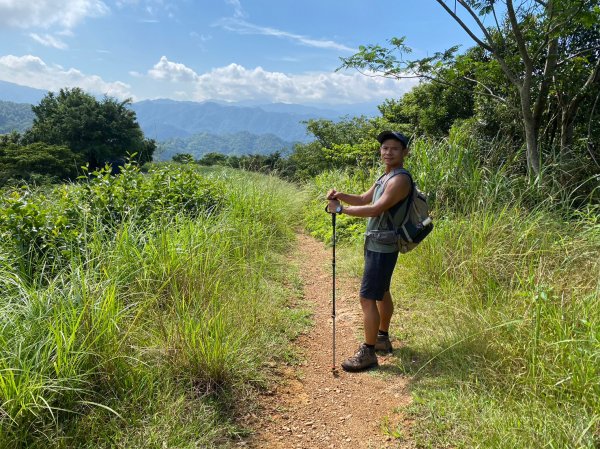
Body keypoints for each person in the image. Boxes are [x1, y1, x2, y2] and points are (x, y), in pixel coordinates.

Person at [326, 131, 412, 372]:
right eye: (385, 148)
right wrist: (341, 196)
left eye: (394, 148)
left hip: (383, 245)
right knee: (381, 292)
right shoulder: (385, 176)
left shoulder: (399, 180)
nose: (388, 152)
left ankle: (369, 351)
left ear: (405, 152)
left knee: (367, 297)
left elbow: (375, 209)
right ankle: (382, 337)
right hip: (378, 242)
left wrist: (341, 210)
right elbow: (364, 199)